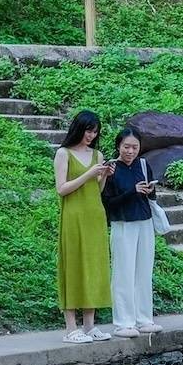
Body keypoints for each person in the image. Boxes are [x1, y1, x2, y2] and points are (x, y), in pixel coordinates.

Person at [54, 110, 113, 343]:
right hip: (73, 215)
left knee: (94, 265)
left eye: (95, 131)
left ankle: (89, 326)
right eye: (89, 130)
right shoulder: (63, 153)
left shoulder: (97, 155)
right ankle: (71, 328)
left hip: (94, 215)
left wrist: (104, 175)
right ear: (79, 128)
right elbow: (62, 188)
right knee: (74, 265)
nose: (92, 135)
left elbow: (95, 190)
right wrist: (89, 174)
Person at [100, 129, 162, 337]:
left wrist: (149, 190)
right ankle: (123, 322)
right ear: (118, 146)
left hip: (144, 222)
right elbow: (107, 202)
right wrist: (131, 192)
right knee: (123, 272)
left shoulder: (143, 165)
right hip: (122, 223)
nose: (130, 151)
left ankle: (144, 318)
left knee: (144, 272)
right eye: (126, 146)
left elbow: (152, 195)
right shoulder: (111, 168)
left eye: (135, 147)